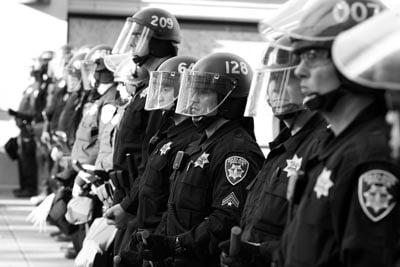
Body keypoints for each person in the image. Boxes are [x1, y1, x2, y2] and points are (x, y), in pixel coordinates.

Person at [260, 0, 399, 266]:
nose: (299, 70)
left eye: (312, 56)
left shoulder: (372, 156)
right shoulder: (326, 144)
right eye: (299, 57)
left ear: (357, 60)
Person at [135, 52, 265, 267]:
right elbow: (173, 209)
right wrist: (152, 247)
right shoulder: (198, 143)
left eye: (203, 92)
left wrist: (174, 244)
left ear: (229, 99)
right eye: (192, 91)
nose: (192, 100)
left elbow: (225, 220)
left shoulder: (236, 153)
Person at [219, 35, 328, 267]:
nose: (275, 89)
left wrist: (259, 253)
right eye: (271, 78)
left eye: (284, 78)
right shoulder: (282, 146)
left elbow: (314, 238)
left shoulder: (320, 144)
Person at [103, 7, 182, 262]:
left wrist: (130, 205)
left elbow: (153, 159)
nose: (133, 44)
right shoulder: (148, 86)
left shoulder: (164, 88)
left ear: (157, 43)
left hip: (142, 205)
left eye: (140, 37)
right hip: (129, 195)